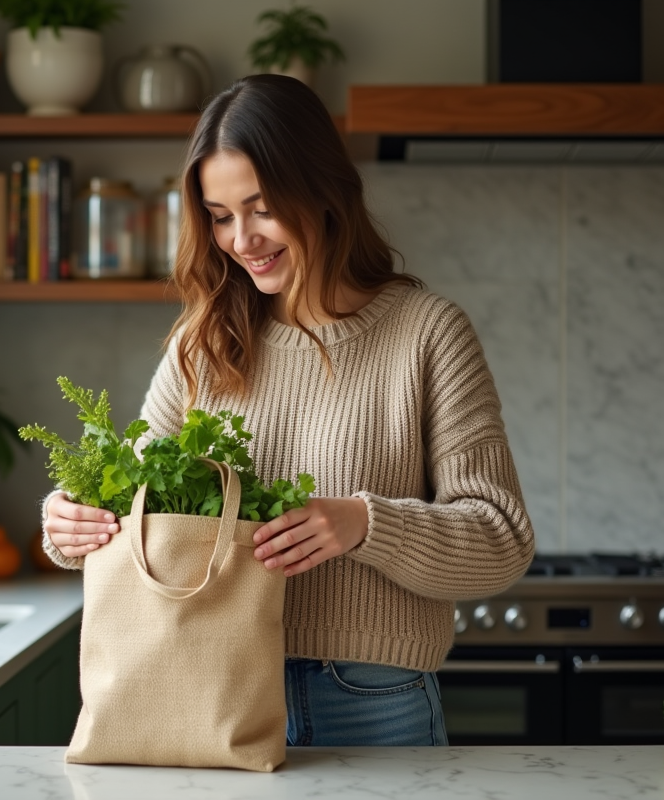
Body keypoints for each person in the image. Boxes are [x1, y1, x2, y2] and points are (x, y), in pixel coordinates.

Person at [40, 74, 535, 747]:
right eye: (219, 215)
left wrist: (364, 523)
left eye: (262, 207)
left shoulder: (427, 332)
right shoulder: (203, 342)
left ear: (322, 190)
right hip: (215, 688)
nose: (241, 238)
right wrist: (71, 519)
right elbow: (139, 500)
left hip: (373, 697)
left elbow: (501, 539)